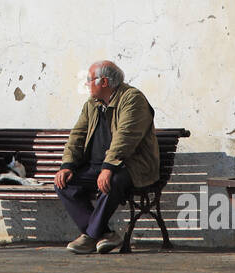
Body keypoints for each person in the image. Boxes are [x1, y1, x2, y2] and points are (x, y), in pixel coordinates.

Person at [54, 60, 159, 254]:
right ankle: (105, 234)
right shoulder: (91, 104)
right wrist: (67, 165)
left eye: (89, 79)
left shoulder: (132, 99)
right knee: (64, 183)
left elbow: (125, 137)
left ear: (103, 82)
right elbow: (77, 135)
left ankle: (90, 237)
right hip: (99, 166)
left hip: (132, 165)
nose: (86, 83)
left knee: (112, 181)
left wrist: (108, 167)